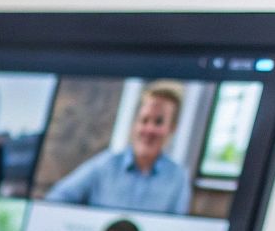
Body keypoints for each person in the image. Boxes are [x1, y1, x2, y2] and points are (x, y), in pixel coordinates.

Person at [44, 81, 192, 215]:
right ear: (135, 124)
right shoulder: (104, 165)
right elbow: (55, 198)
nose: (149, 129)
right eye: (144, 120)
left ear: (172, 128)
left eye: (158, 122)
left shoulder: (178, 178)